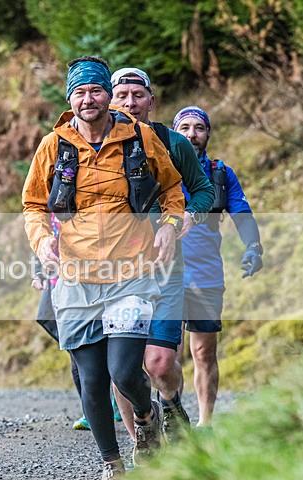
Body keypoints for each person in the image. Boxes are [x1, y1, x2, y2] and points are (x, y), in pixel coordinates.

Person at [22, 56, 185, 480]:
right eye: (80, 92)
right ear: (70, 99)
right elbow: (34, 205)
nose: (88, 99)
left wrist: (169, 228)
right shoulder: (53, 145)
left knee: (125, 371)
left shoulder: (140, 137)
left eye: (95, 91)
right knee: (92, 378)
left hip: (130, 271)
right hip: (74, 277)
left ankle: (147, 418)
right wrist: (42, 243)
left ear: (107, 95)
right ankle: (111, 466)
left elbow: (172, 189)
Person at [109, 68, 216, 442]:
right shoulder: (96, 150)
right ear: (109, 101)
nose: (129, 103)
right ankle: (143, 439)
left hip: (166, 268)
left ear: (151, 101)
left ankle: (171, 403)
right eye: (121, 95)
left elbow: (204, 191)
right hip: (114, 270)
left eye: (137, 95)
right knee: (122, 367)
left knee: (159, 362)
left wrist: (188, 213)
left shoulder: (174, 143)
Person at [173, 105, 263, 427]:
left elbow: (241, 212)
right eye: (184, 128)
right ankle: (172, 420)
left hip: (206, 275)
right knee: (167, 356)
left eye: (199, 128)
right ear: (174, 132)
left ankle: (205, 425)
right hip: (164, 274)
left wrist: (253, 246)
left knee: (204, 353)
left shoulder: (220, 174)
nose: (191, 134)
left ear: (208, 134)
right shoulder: (161, 167)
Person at [30, 214, 122, 432]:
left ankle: (117, 401)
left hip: (97, 280)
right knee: (76, 351)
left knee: (109, 345)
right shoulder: (48, 196)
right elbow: (38, 233)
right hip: (60, 286)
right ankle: (91, 410)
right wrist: (37, 272)